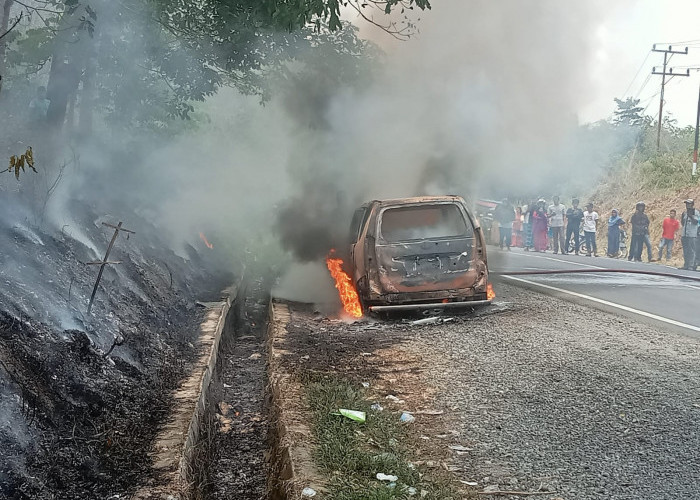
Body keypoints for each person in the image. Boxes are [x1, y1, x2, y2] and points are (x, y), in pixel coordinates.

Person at [680, 199, 700, 270]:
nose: (687, 205)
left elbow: (696, 222)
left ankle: (691, 265)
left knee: (692, 250)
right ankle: (686, 264)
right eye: (686, 204)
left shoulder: (696, 212)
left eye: (689, 204)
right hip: (685, 234)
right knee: (686, 250)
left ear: (692, 204)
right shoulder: (684, 213)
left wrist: (691, 216)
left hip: (692, 235)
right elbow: (682, 222)